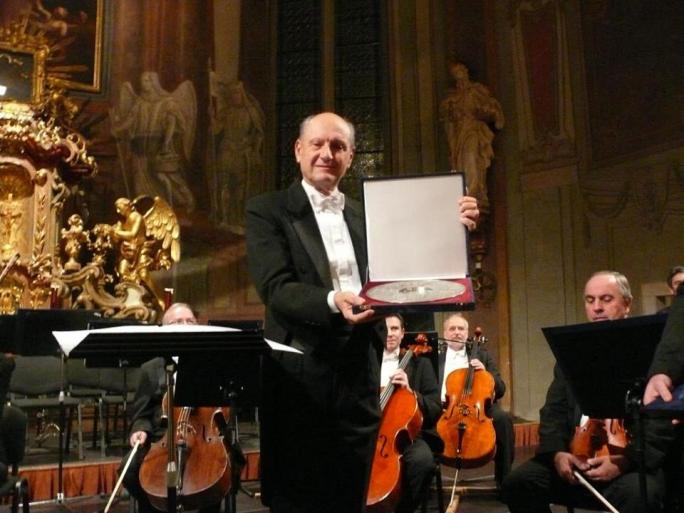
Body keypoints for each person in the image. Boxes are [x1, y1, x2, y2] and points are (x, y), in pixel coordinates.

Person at [245, 111, 479, 513]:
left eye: (338, 146)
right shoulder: (267, 210)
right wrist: (333, 301)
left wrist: (450, 230)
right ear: (298, 150)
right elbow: (275, 288)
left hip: (359, 368)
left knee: (353, 491)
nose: (327, 153)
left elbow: (410, 266)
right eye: (317, 144)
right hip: (299, 374)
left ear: (351, 156)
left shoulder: (367, 215)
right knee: (296, 496)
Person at [502, 271, 674, 513]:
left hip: (630, 465)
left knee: (641, 495)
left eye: (606, 299)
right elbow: (553, 411)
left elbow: (660, 421)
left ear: (627, 304)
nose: (597, 307)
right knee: (519, 483)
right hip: (576, 463)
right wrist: (558, 454)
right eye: (590, 300)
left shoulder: (652, 351)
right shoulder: (572, 351)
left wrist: (625, 461)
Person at [120, 303, 227, 513]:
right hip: (162, 437)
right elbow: (141, 413)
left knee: (218, 470)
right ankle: (154, 506)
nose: (185, 325)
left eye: (190, 321)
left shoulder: (213, 364)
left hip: (205, 437)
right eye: (177, 322)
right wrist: (139, 430)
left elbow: (226, 406)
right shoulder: (151, 368)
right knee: (130, 470)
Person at [433, 312, 514, 487]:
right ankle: (428, 483)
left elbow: (501, 389)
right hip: (444, 408)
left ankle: (505, 481)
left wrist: (485, 373)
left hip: (478, 407)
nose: (456, 332)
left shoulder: (481, 354)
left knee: (503, 420)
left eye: (461, 329)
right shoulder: (435, 358)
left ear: (467, 333)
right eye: (452, 329)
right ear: (445, 333)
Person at [376, 314, 441, 513]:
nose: (390, 333)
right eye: (385, 328)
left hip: (408, 436)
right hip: (371, 432)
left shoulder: (421, 365)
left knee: (422, 462)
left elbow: (435, 408)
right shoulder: (366, 363)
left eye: (395, 328)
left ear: (403, 333)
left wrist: (410, 391)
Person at [111, 71, 196, 212]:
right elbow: (130, 120)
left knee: (165, 179)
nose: (143, 84)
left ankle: (183, 202)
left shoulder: (167, 103)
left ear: (153, 83)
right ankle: (145, 213)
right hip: (140, 149)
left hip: (158, 147)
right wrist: (116, 128)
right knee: (139, 183)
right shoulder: (139, 102)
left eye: (146, 81)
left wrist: (166, 143)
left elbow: (176, 123)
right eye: (142, 81)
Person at [439, 62, 504, 213]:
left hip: (473, 130)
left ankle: (475, 194)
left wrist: (488, 112)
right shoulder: (453, 97)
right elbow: (445, 116)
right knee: (460, 164)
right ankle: (467, 193)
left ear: (465, 71)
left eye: (459, 71)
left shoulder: (476, 91)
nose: (458, 75)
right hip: (459, 135)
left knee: (471, 158)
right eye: (454, 73)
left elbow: (490, 108)